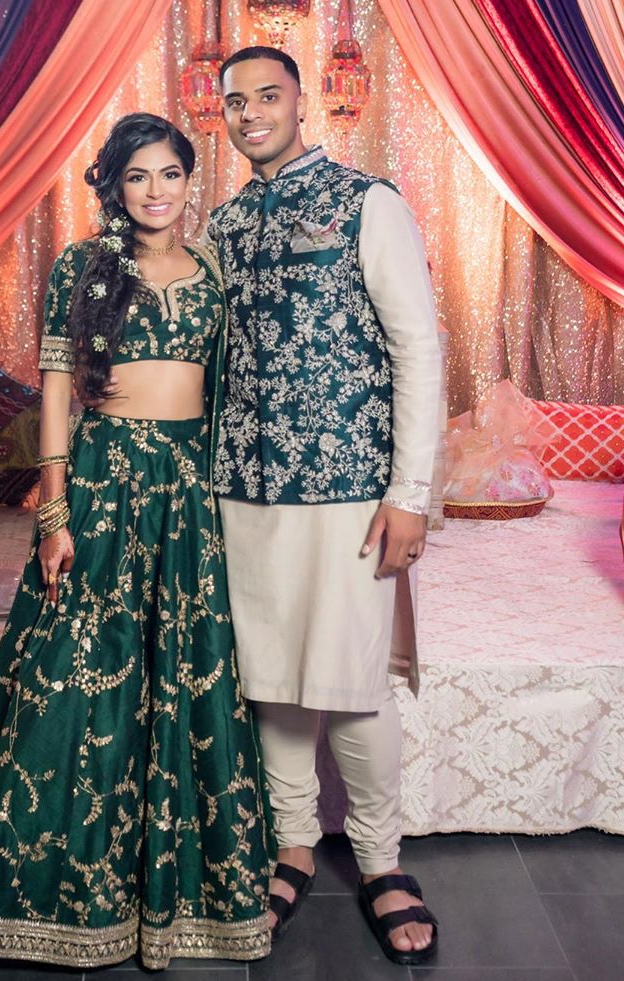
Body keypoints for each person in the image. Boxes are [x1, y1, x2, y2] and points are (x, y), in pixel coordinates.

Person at [0, 114, 274, 972]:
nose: (155, 191)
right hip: (102, 474)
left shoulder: (213, 268)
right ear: (114, 186)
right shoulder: (84, 267)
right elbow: (56, 388)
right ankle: (45, 893)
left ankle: (175, 896)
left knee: (185, 665)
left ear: (189, 180)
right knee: (78, 666)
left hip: (187, 488)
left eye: (169, 174)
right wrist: (53, 509)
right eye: (138, 177)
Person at [206, 47, 443, 966]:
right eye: (237, 101)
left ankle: (384, 863)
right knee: (271, 677)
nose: (253, 111)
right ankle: (293, 844)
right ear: (221, 114)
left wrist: (410, 495)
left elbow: (417, 348)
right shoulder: (222, 225)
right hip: (245, 487)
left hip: (350, 488)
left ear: (302, 103)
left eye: (269, 95)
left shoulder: (367, 202)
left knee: (348, 684)